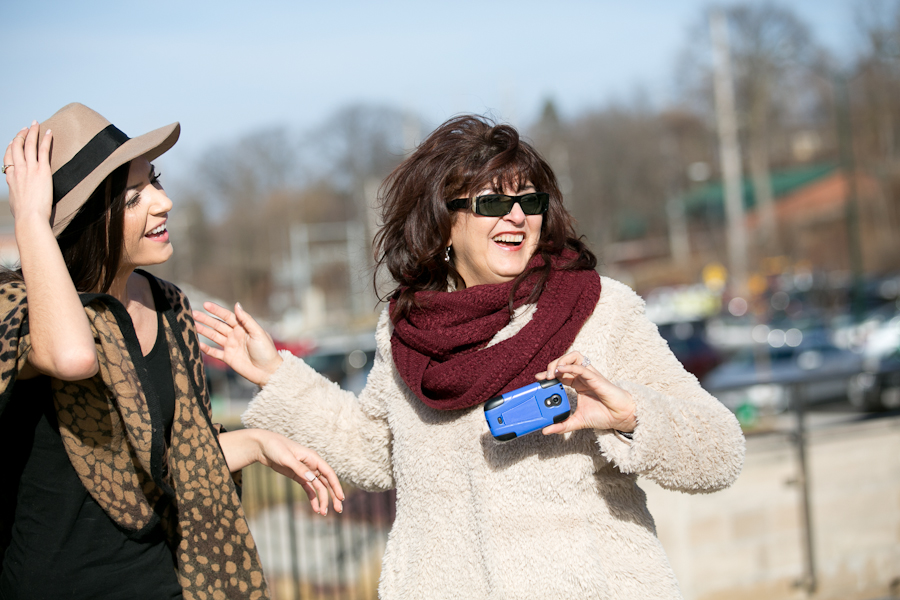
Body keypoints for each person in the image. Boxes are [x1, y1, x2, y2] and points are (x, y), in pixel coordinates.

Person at [195, 115, 746, 599]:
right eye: (491, 204)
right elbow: (370, 453)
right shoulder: (405, 332)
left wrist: (630, 416)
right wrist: (276, 375)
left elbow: (719, 451)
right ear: (444, 225)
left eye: (529, 202)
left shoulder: (599, 309)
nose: (516, 218)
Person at [0, 103, 344, 600]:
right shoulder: (18, 307)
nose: (164, 202)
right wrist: (32, 218)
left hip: (161, 582)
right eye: (135, 197)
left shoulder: (167, 304)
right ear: (87, 220)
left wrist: (258, 443)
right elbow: (74, 357)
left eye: (155, 182)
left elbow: (174, 463)